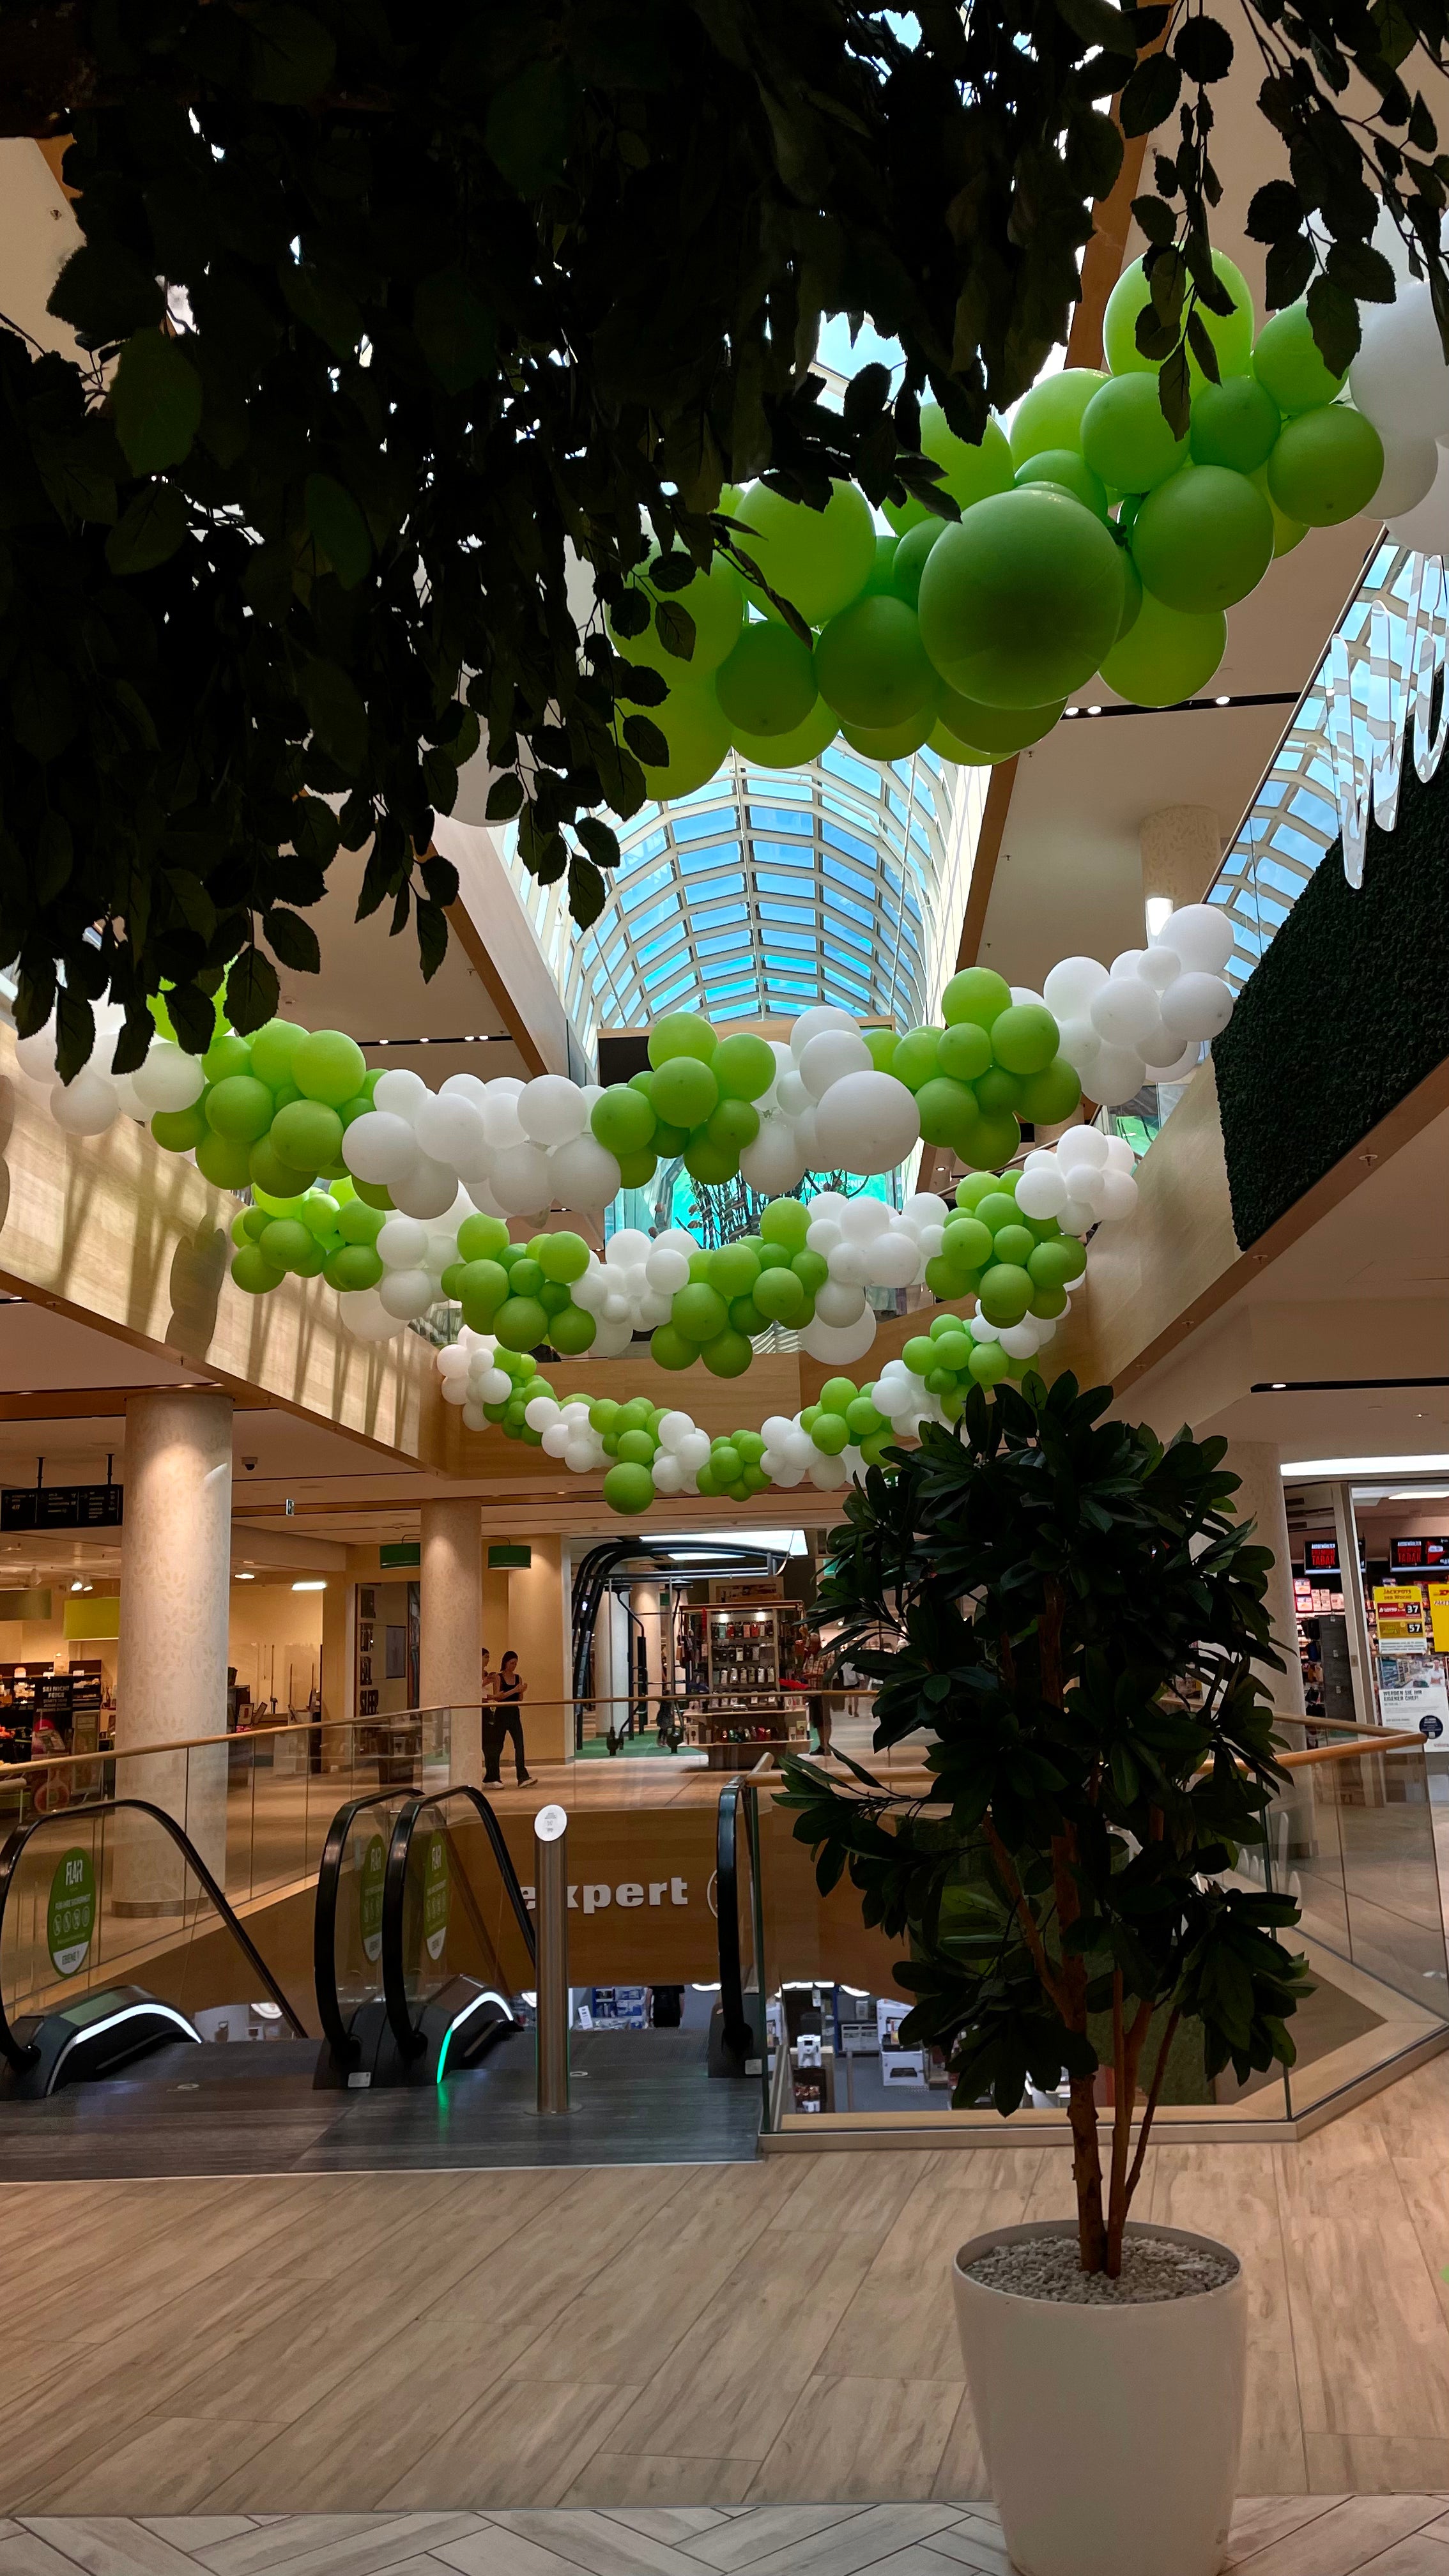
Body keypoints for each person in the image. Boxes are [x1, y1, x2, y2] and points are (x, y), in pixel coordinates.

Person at [484, 1650, 533, 1786]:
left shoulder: (518, 1678)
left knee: (519, 1744)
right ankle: (493, 1776)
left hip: (514, 1713)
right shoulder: (499, 1677)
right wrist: (514, 1690)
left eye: (516, 1664)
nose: (514, 1666)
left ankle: (522, 1776)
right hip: (502, 1713)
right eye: (512, 1663)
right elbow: (498, 1697)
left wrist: (521, 1692)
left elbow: (519, 1699)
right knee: (497, 1745)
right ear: (506, 1663)